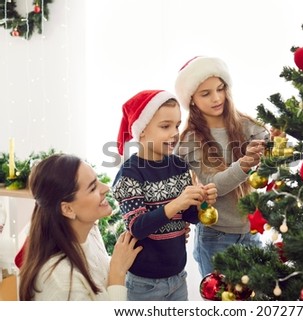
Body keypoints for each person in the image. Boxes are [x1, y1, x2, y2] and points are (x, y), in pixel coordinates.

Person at [112, 89, 217, 301]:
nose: (174, 133)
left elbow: (187, 217)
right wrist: (177, 203)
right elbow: (138, 227)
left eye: (177, 125)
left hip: (178, 277)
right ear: (142, 131)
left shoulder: (178, 165)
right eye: (165, 126)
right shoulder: (130, 173)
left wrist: (201, 205)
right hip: (144, 284)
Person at [174, 56, 268, 277]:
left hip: (251, 232)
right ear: (192, 100)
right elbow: (214, 185)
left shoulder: (248, 125)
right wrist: (244, 164)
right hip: (217, 238)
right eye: (206, 94)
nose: (217, 98)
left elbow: (275, 157)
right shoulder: (189, 140)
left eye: (220, 89)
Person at [19, 154, 142, 301]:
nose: (106, 188)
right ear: (68, 209)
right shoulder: (61, 282)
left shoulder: (90, 232)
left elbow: (99, 275)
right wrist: (118, 273)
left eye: (97, 181)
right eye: (92, 188)